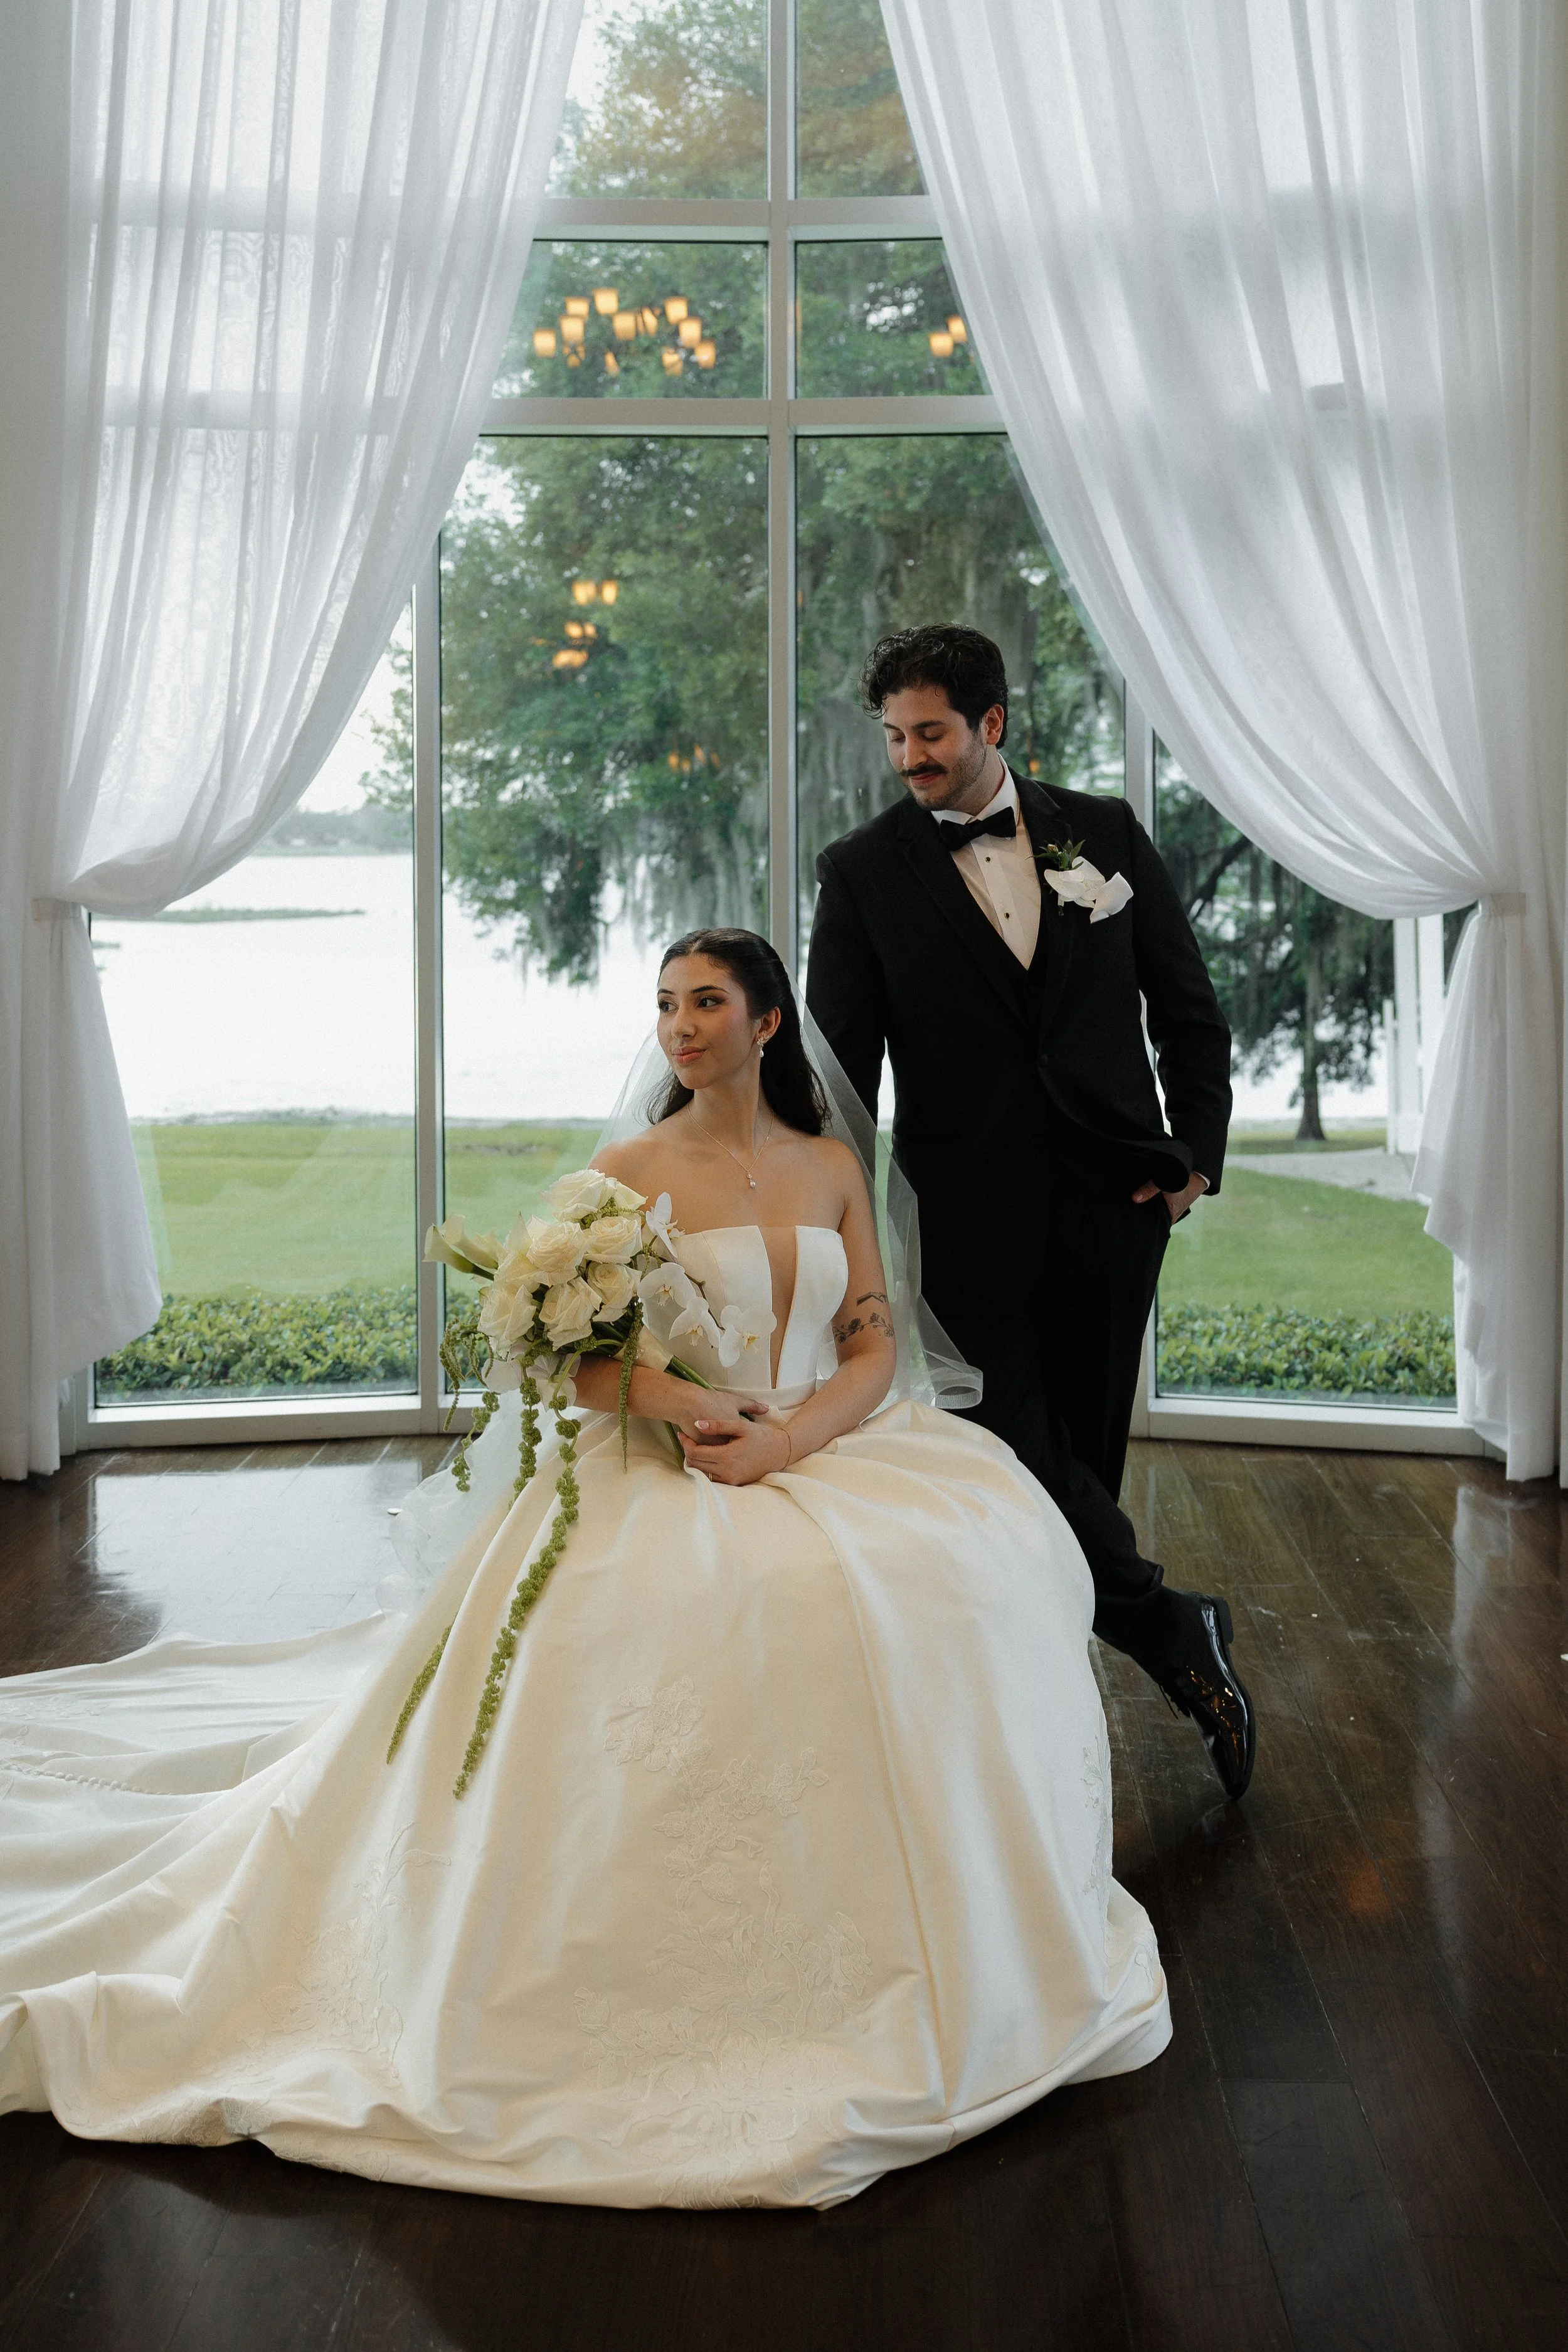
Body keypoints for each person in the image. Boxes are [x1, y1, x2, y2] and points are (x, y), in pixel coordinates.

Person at [0, 928, 1168, 2211]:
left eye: (708, 1001)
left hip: (811, 1439)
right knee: (719, 1610)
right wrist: (694, 1414)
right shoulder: (624, 1169)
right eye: (665, 1002)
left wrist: (793, 1433)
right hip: (679, 1451)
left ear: (767, 1023)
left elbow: (868, 1339)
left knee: (965, 1579)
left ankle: (956, 1948)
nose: (680, 1024)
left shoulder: (834, 1163)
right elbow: (576, 1356)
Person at [805, 624, 1255, 1799]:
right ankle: (1172, 1630)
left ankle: (1052, 1727)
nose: (910, 756)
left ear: (993, 723)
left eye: (932, 732)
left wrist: (1194, 1155)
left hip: (1118, 1205)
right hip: (962, 1221)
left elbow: (1190, 1010)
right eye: (895, 735)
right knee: (1014, 1455)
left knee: (1083, 1469)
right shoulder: (858, 873)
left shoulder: (1099, 832)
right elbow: (842, 1078)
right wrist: (826, 1227)